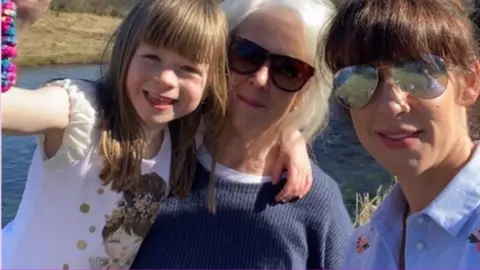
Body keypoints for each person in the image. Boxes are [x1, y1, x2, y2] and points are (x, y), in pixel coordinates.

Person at [1, 0, 313, 268]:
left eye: (188, 69)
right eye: (152, 58)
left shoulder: (179, 136)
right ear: (126, 53)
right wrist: (16, 18)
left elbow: (245, 124)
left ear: (210, 81)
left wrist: (291, 137)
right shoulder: (81, 112)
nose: (166, 79)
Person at [131, 0, 352, 269]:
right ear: (216, 56)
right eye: (246, 54)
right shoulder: (156, 151)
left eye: (288, 71)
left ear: (303, 93)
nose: (260, 79)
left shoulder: (316, 204)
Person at [322, 0, 480, 268]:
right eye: (359, 79)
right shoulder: (361, 250)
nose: (390, 105)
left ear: (470, 82)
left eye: (419, 73)